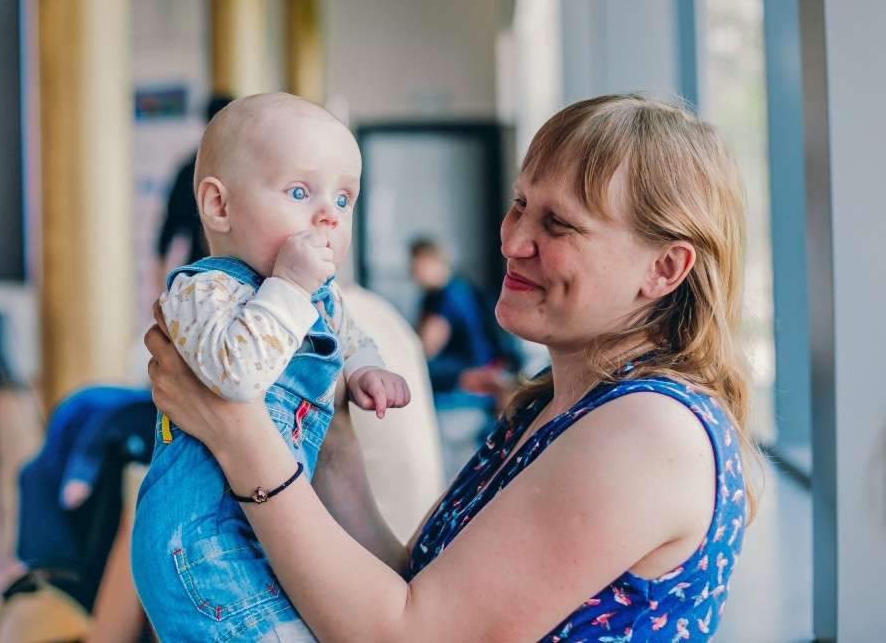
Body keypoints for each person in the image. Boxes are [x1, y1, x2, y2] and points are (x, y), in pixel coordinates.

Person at [144, 94, 757, 641]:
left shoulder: (650, 433)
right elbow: (409, 591)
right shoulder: (546, 409)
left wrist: (240, 435)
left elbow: (413, 636)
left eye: (559, 224)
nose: (513, 241)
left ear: (665, 269)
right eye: (520, 205)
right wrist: (325, 429)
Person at [131, 93, 411, 642]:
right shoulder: (203, 290)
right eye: (300, 192)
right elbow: (236, 377)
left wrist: (365, 370)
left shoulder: (319, 296)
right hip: (200, 541)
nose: (328, 214)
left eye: (345, 198)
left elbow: (350, 338)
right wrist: (288, 288)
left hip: (263, 523)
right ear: (219, 206)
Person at [409, 237, 513, 395]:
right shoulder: (464, 286)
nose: (412, 273)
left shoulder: (445, 298)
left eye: (417, 265)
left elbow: (423, 350)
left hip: (465, 386)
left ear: (434, 262)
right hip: (484, 374)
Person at [153, 94, 233, 283]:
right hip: (215, 269)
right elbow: (170, 225)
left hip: (201, 274)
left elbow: (169, 227)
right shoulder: (191, 169)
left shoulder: (190, 168)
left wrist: (160, 279)